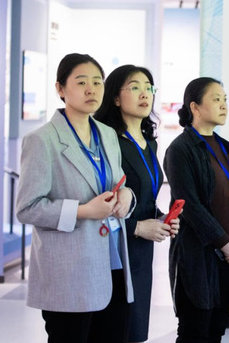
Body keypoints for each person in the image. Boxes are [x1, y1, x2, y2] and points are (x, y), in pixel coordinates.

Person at [16, 53, 135, 343]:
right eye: (81, 82)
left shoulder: (107, 135)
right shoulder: (41, 140)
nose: (91, 89)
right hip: (69, 272)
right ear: (60, 89)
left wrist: (126, 195)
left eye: (97, 82)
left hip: (113, 262)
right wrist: (83, 211)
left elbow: (119, 181)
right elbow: (27, 208)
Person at [163, 77, 229, 343]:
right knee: (195, 332)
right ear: (194, 106)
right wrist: (224, 242)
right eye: (216, 99)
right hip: (198, 256)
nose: (224, 105)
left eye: (225, 99)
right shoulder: (180, 149)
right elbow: (189, 205)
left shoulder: (228, 148)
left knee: (215, 332)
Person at [95, 65, 180, 343]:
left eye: (148, 87)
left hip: (142, 251)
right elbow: (98, 201)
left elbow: (146, 196)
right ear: (115, 98)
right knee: (113, 329)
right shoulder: (106, 142)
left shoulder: (149, 143)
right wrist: (137, 227)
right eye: (134, 87)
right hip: (114, 247)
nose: (145, 94)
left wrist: (162, 218)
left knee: (134, 329)